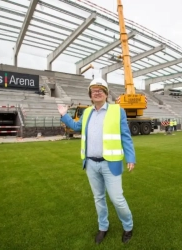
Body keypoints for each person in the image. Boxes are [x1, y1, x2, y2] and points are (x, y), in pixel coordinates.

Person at [57, 78, 136, 244]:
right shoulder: (87, 112)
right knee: (98, 198)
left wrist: (130, 157)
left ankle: (128, 226)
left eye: (100, 89)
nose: (97, 92)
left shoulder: (117, 111)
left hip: (111, 163)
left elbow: (125, 137)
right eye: (94, 90)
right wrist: (64, 115)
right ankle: (103, 227)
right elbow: (77, 127)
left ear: (106, 94)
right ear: (90, 95)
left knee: (117, 198)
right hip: (91, 164)